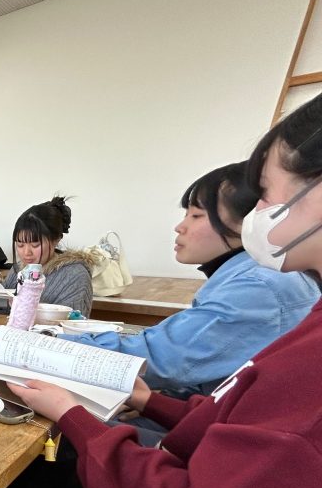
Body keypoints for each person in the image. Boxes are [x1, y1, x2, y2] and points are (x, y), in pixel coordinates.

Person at [0, 93, 322, 488]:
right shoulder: (305, 307)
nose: (256, 214)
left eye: (263, 194)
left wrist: (73, 412)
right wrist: (151, 401)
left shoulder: (265, 287)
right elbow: (236, 418)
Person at [61, 162, 318, 398]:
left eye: (196, 215)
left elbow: (159, 358)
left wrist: (52, 346)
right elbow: (205, 368)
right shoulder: (256, 275)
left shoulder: (259, 286)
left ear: (251, 220)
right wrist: (159, 403)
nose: (180, 227)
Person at [2, 196, 95, 316]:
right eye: (20, 245)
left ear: (56, 240)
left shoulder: (75, 275)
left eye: (35, 245)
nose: (26, 252)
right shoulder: (19, 269)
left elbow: (73, 321)